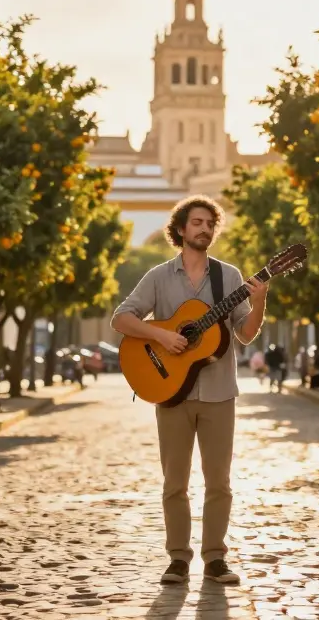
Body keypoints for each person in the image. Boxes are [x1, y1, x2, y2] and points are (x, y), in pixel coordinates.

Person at [111, 195, 267, 586]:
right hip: (170, 392)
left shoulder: (228, 277)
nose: (204, 229)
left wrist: (260, 301)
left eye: (210, 224)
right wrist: (161, 334)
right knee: (174, 483)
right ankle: (178, 559)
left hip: (219, 394)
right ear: (181, 229)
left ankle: (215, 558)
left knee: (219, 483)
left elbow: (246, 335)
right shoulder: (159, 277)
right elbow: (122, 319)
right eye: (197, 222)